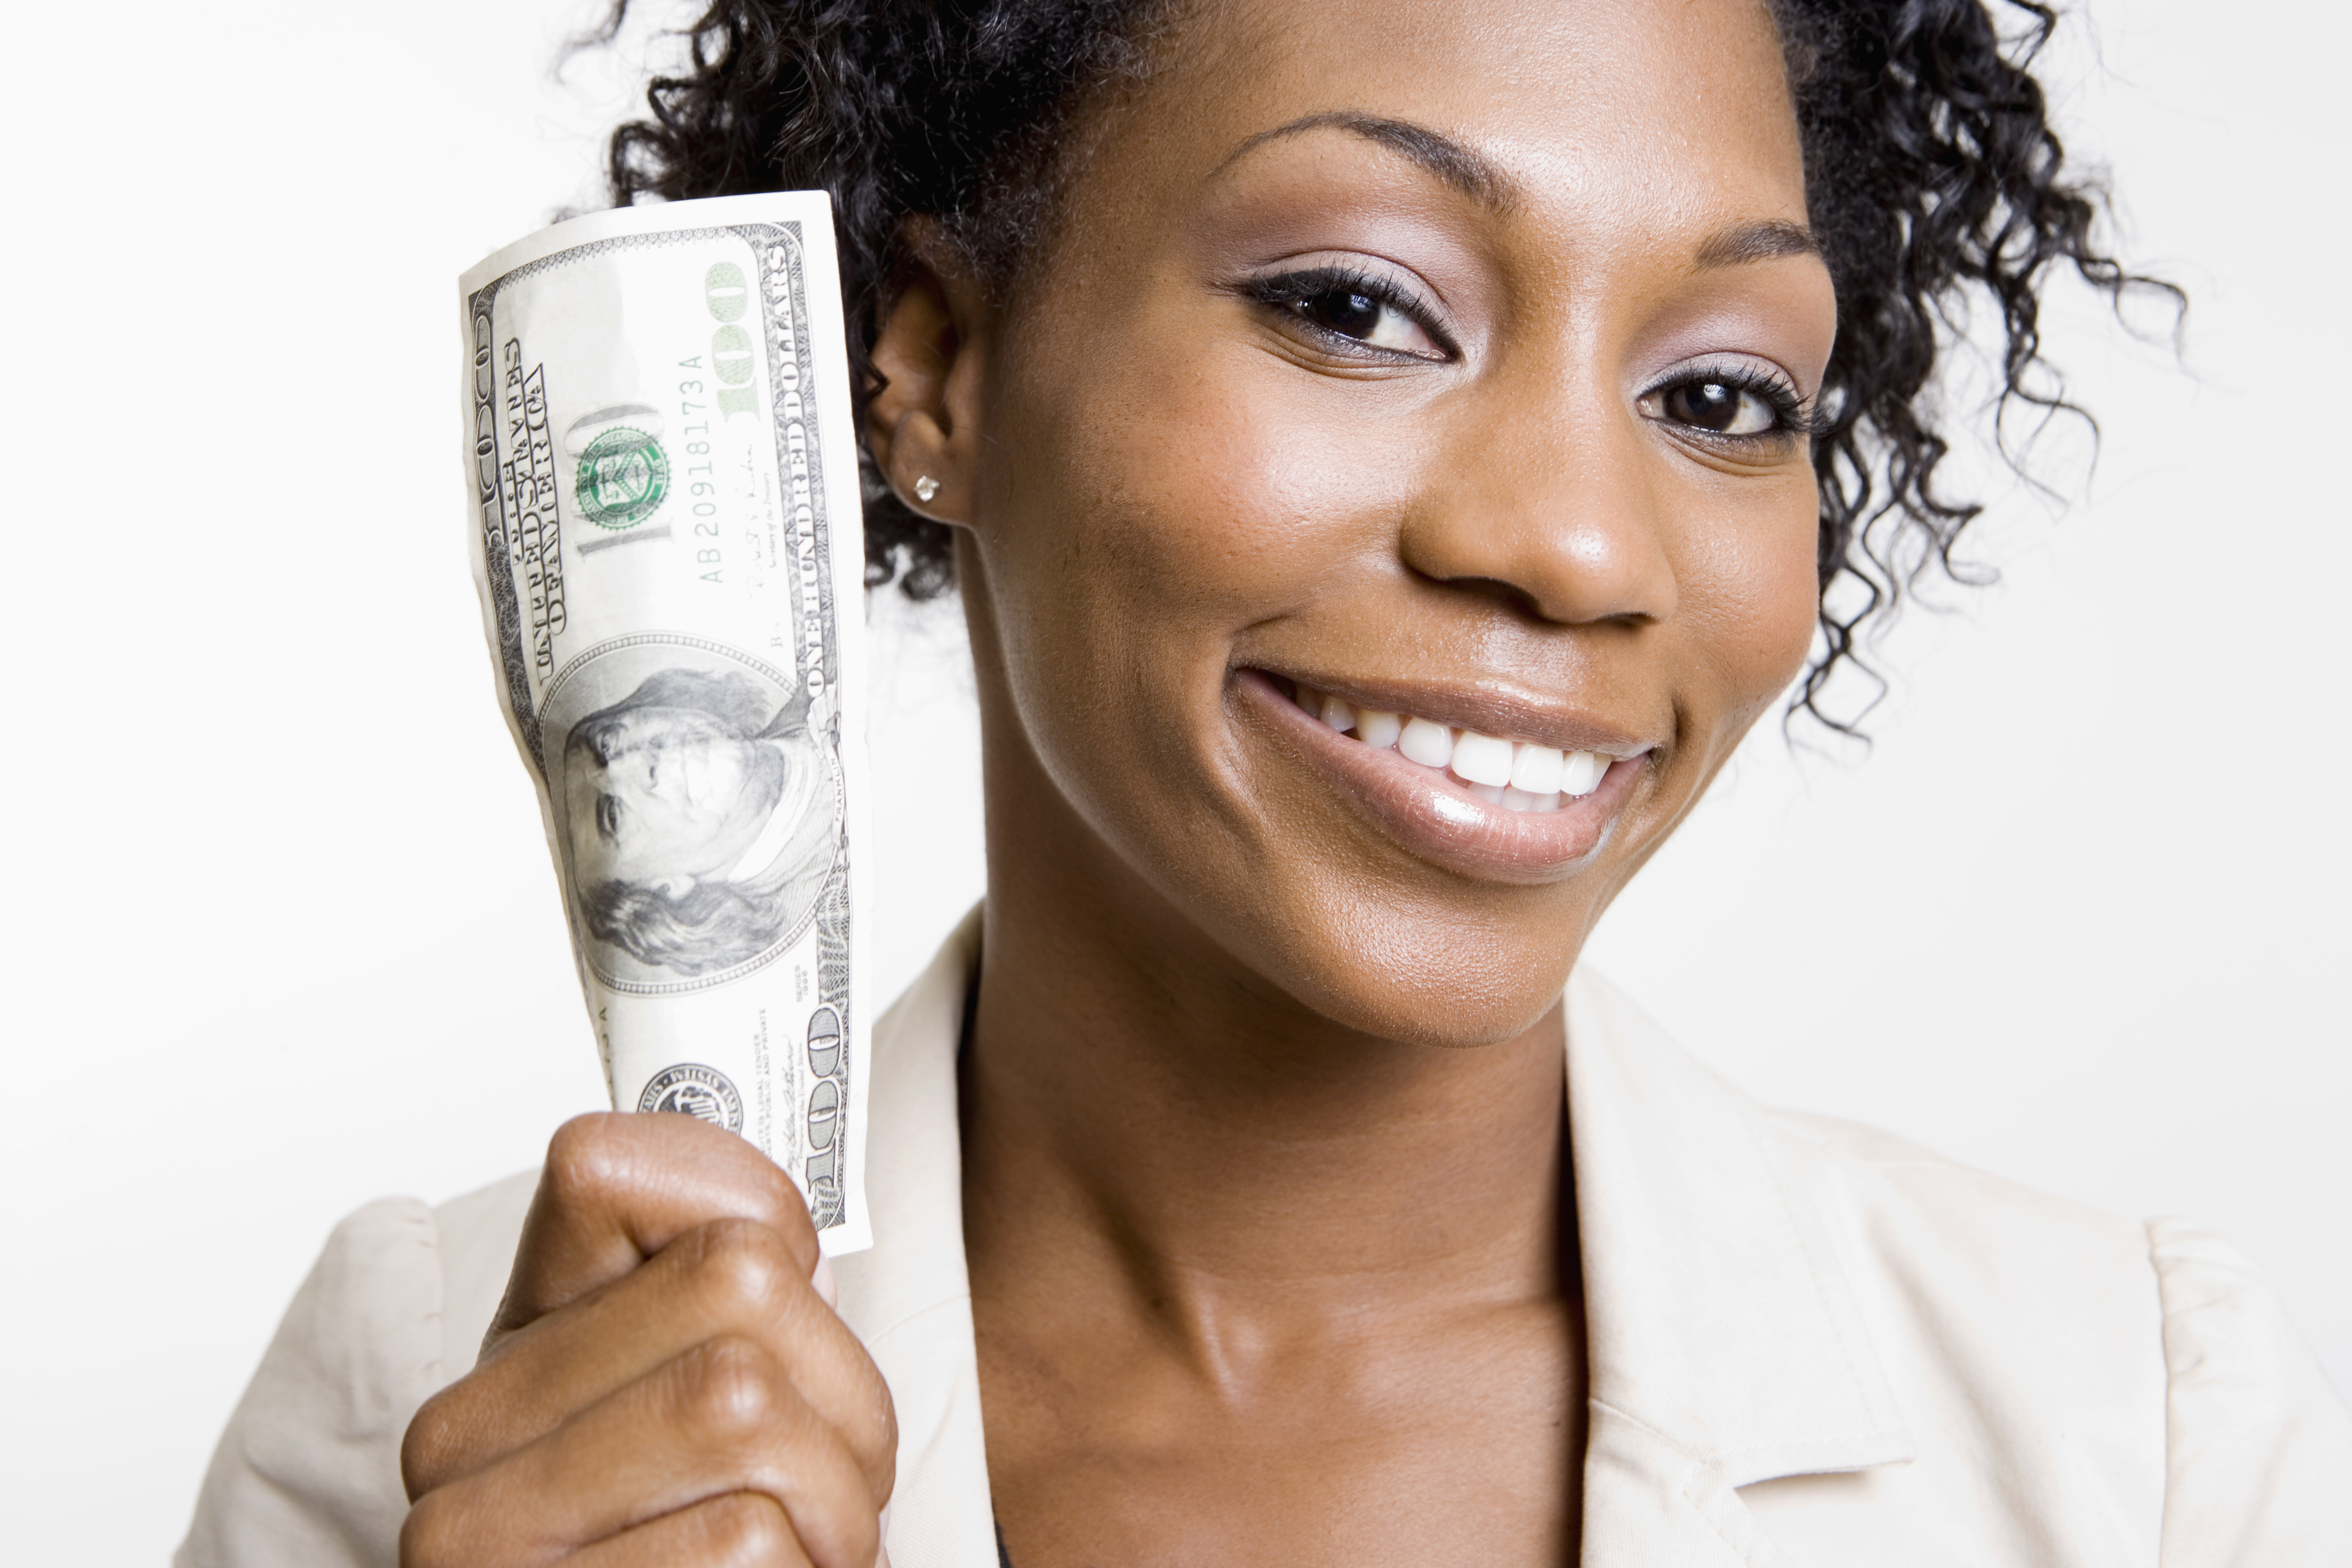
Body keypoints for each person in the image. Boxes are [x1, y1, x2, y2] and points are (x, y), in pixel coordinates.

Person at [179, 0, 2352, 1563]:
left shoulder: (2131, 1429)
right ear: (930, 364)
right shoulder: (436, 1392)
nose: (1579, 541)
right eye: (1353, 303)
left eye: (1713, 392)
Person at [562, 666, 839, 979]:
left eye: (607, 744)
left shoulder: (818, 681)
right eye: (613, 816)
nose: (639, 761)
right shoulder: (822, 916)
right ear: (665, 888)